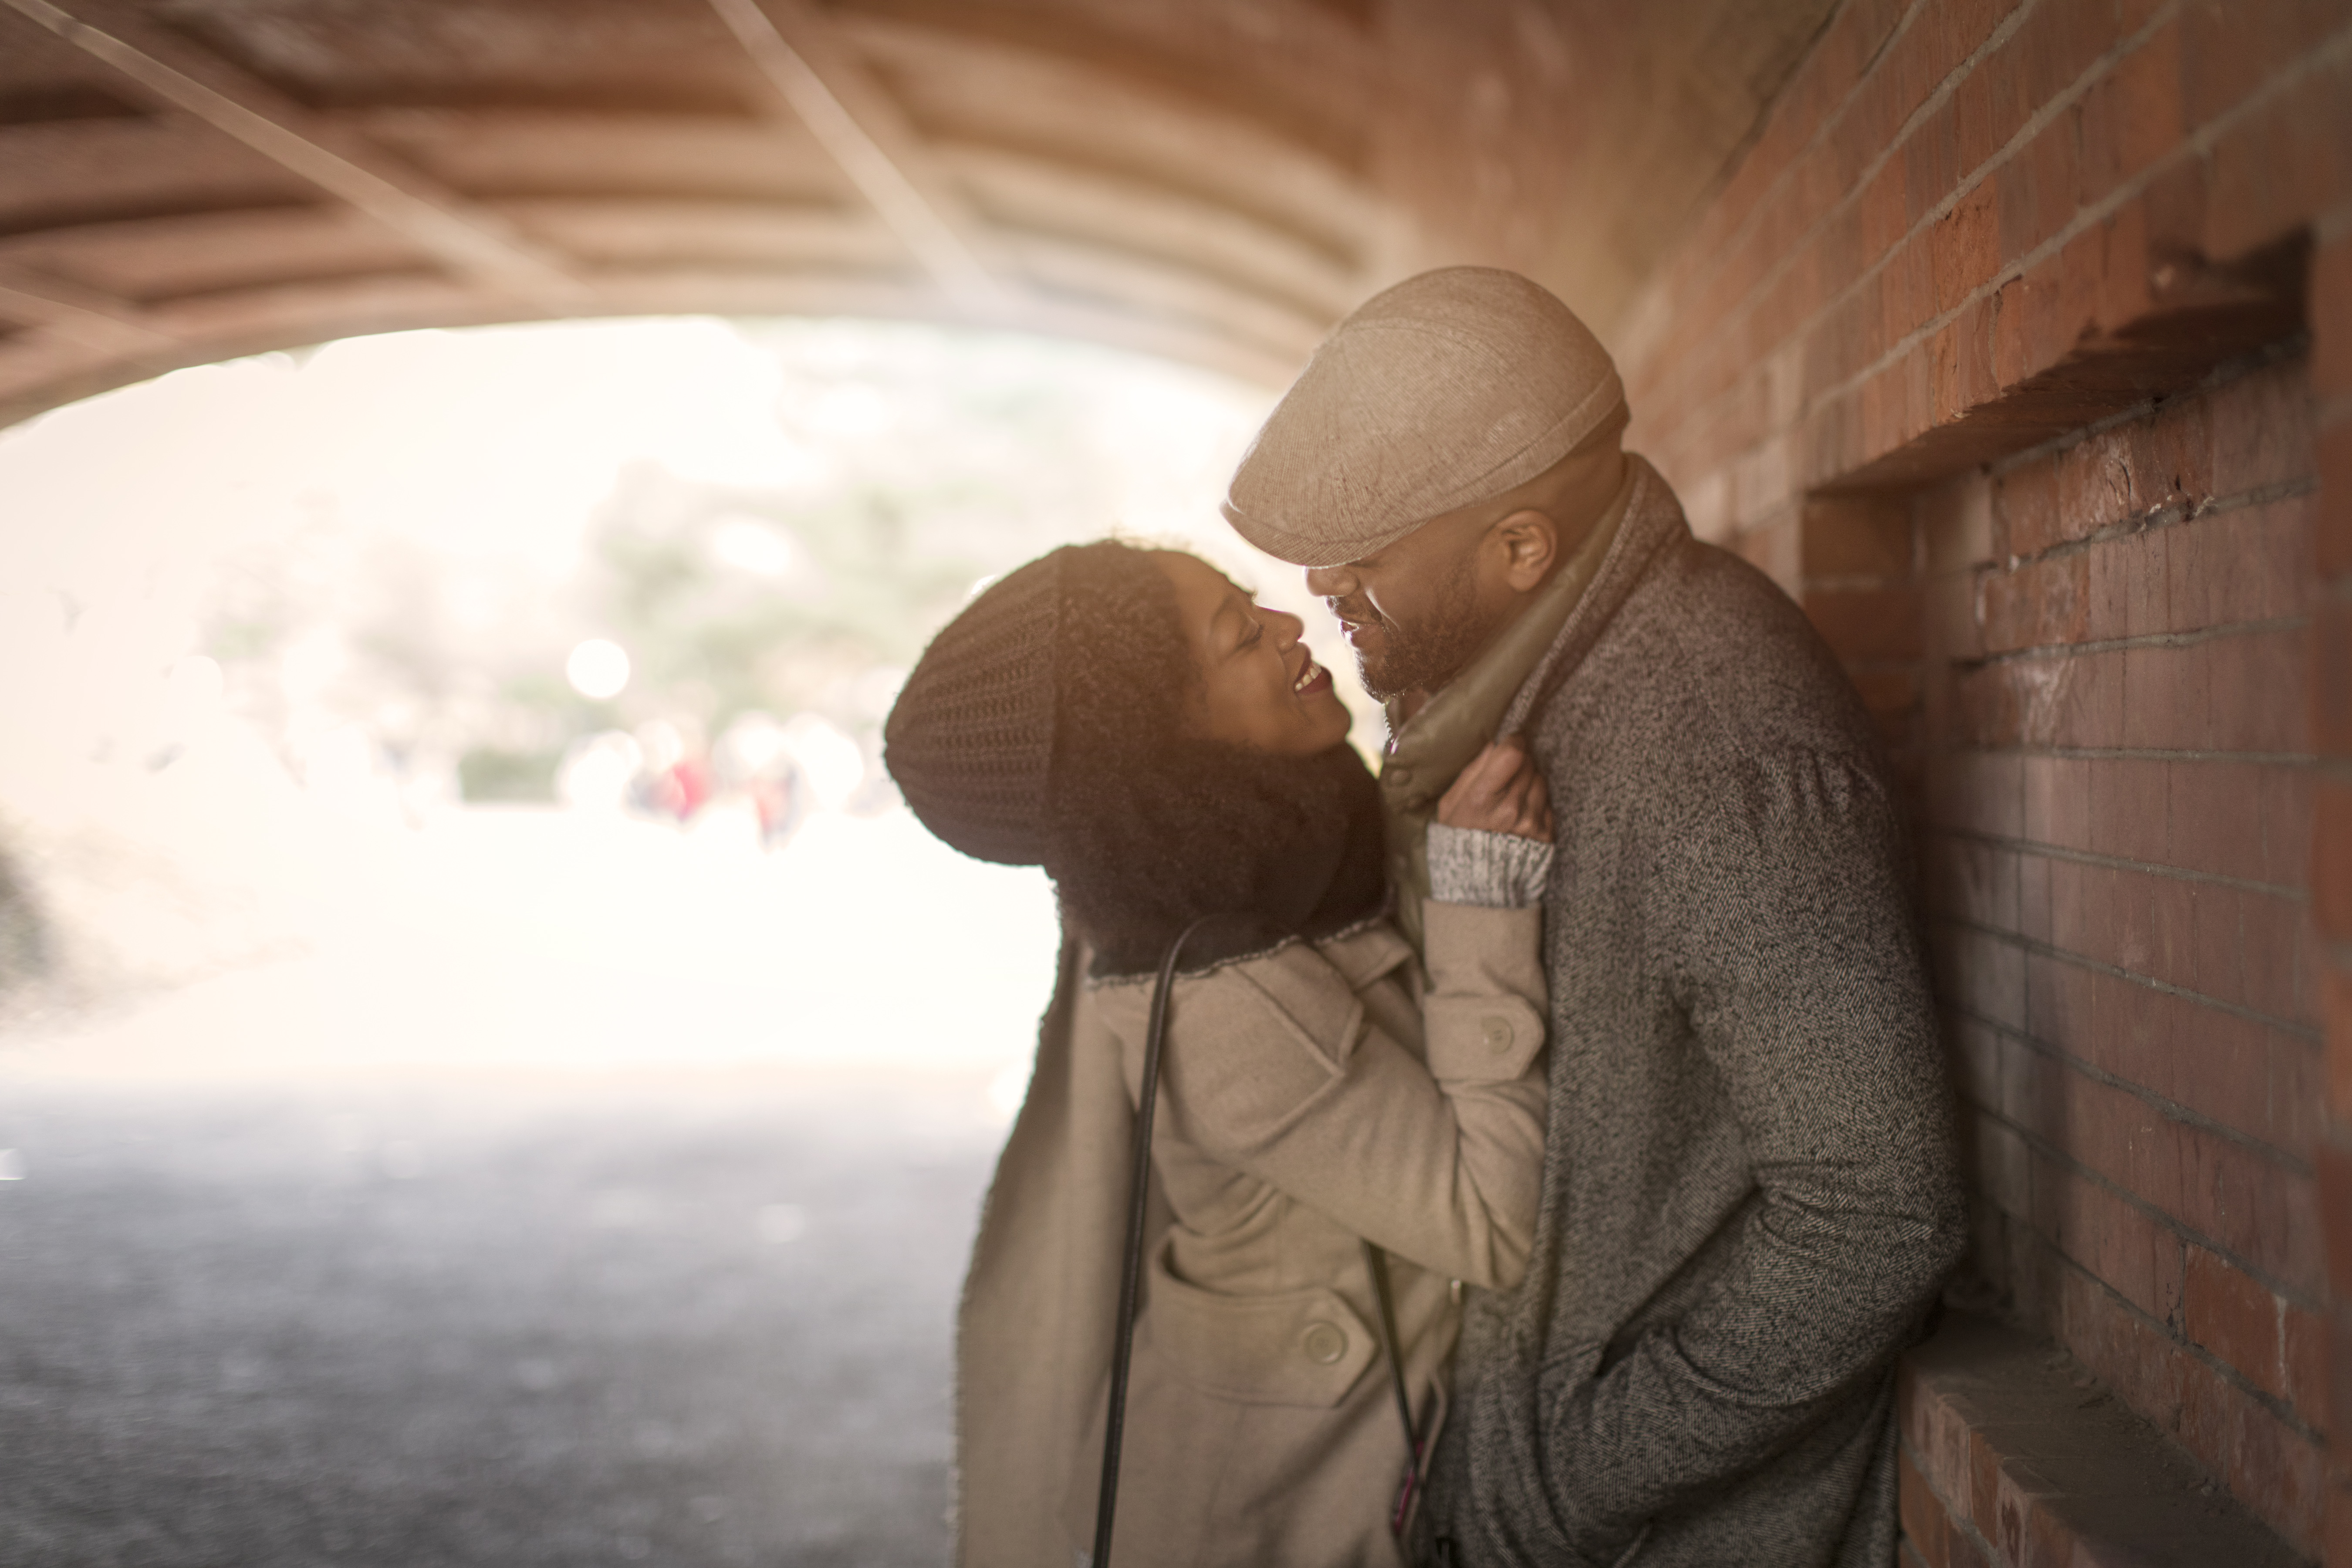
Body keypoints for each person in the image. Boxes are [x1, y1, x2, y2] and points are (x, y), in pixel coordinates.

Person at [1221, 267, 1967, 1567]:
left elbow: (1876, 1211)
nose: (1324, 581)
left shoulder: (1710, 746)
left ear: (1521, 550)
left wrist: (1559, 1490)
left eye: (1370, 551)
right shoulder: (1511, 696)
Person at [884, 539, 1560, 1567]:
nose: (1291, 628)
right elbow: (1491, 1222)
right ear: (1161, 742)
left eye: (1252, 603)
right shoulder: (1218, 995)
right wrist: (1481, 900)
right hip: (1263, 1512)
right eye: (1243, 637)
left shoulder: (1282, 853)